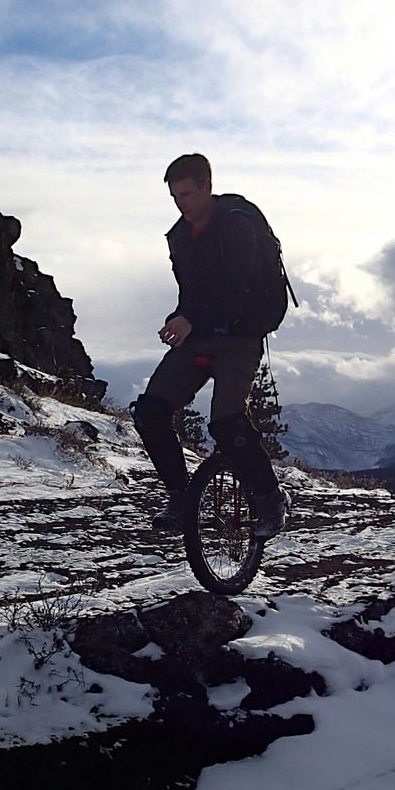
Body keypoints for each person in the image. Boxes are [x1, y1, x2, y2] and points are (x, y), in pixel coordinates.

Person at [132, 153, 290, 539]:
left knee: (226, 421)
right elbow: (193, 291)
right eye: (174, 196)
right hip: (201, 335)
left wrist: (191, 317)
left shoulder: (237, 225)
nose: (181, 203)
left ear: (207, 186)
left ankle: (270, 499)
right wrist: (180, 316)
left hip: (240, 334)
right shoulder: (180, 237)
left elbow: (236, 286)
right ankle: (181, 499)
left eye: (187, 193)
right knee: (150, 412)